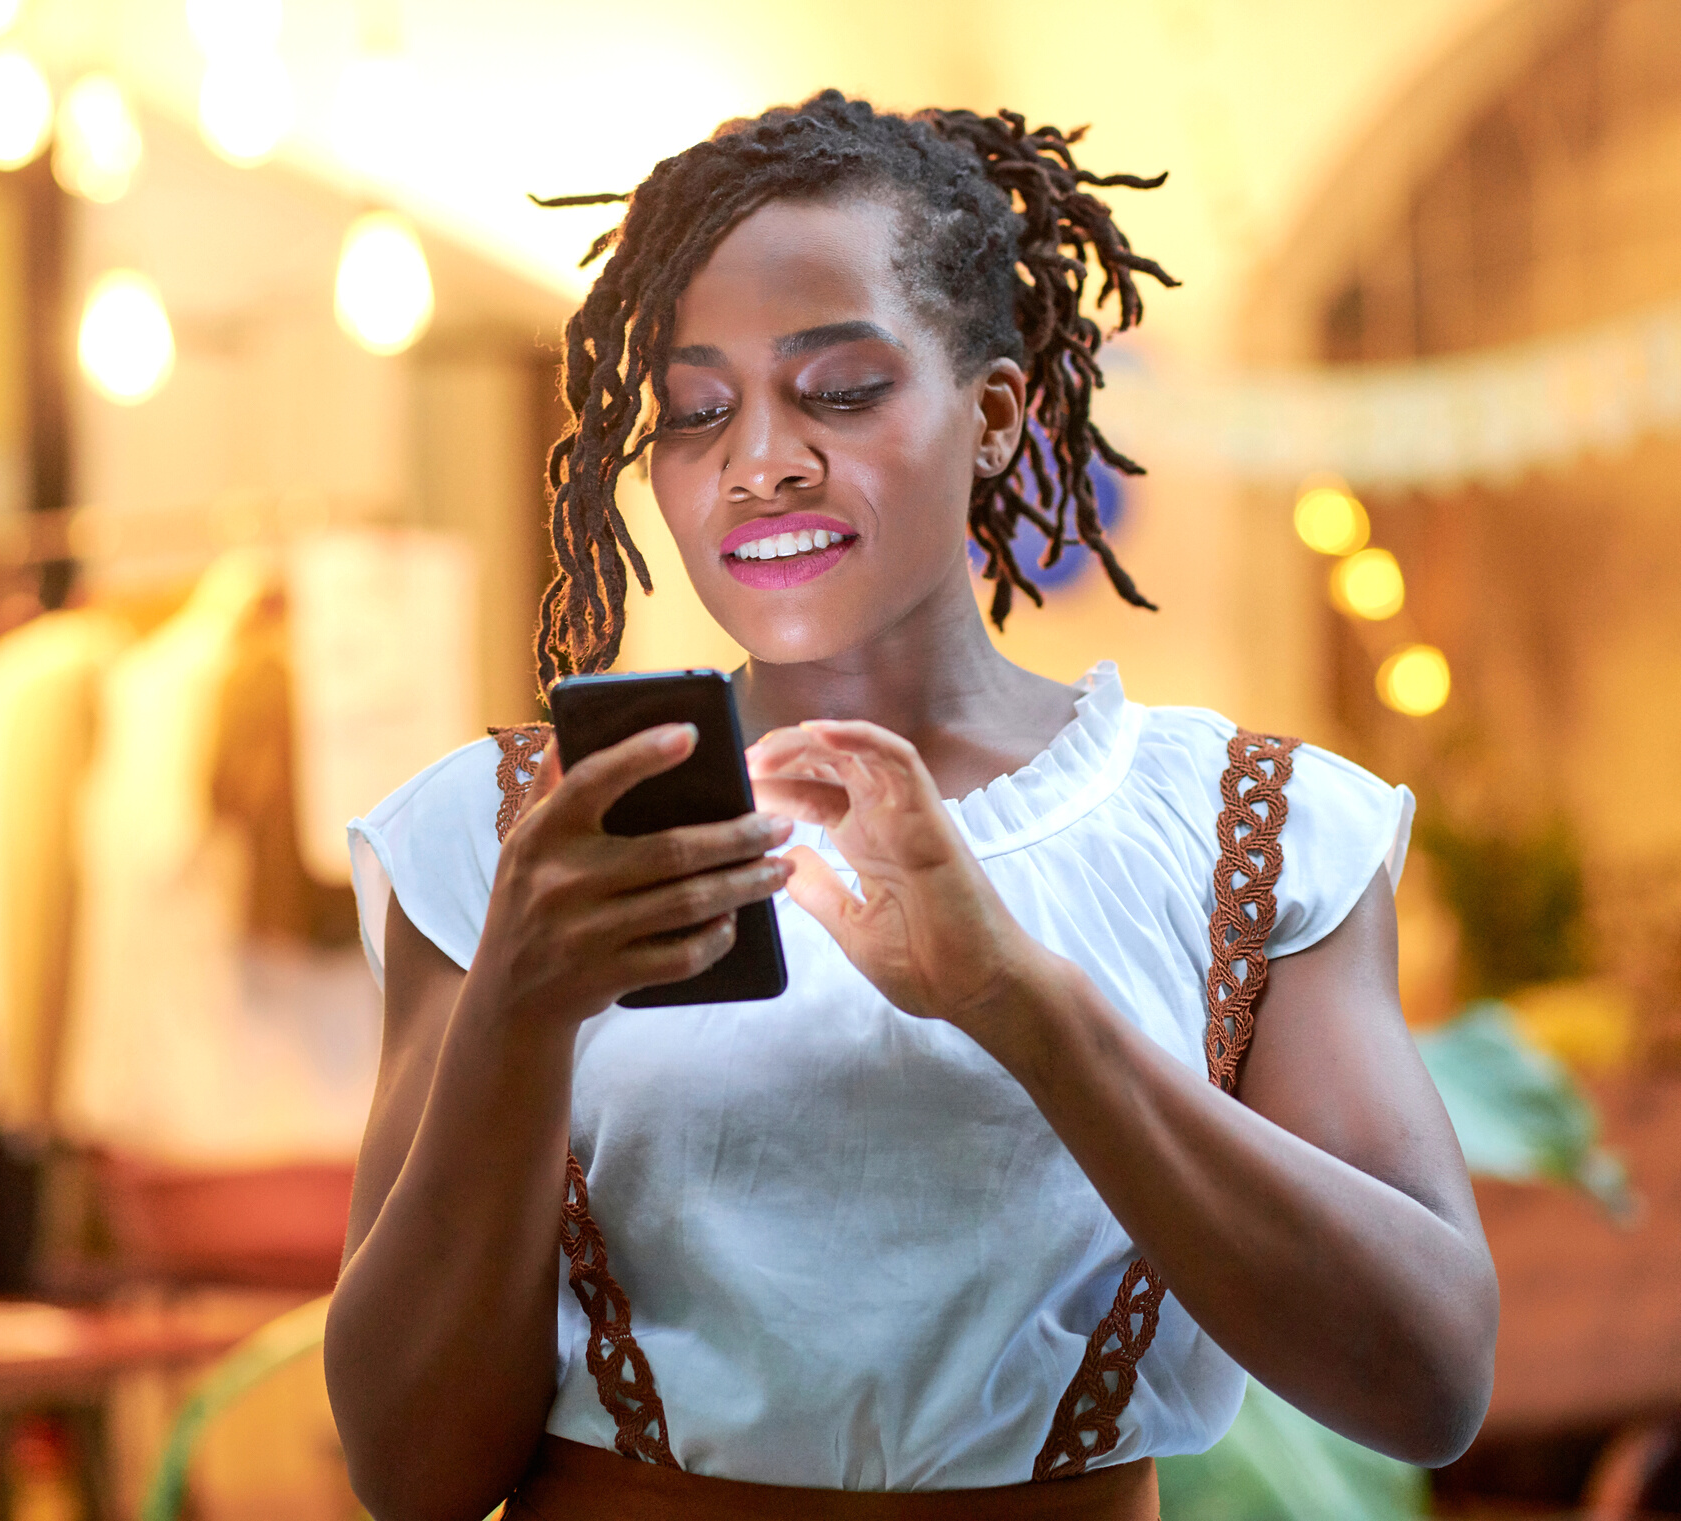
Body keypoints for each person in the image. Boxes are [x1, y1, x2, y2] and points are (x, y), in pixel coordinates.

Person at [325, 93, 1497, 1519]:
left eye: (838, 389)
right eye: (698, 411)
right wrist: (517, 1009)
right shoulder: (516, 840)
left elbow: (1431, 1377)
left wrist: (1020, 1001)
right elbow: (409, 1476)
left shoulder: (1242, 830)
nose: (761, 457)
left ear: (995, 414)